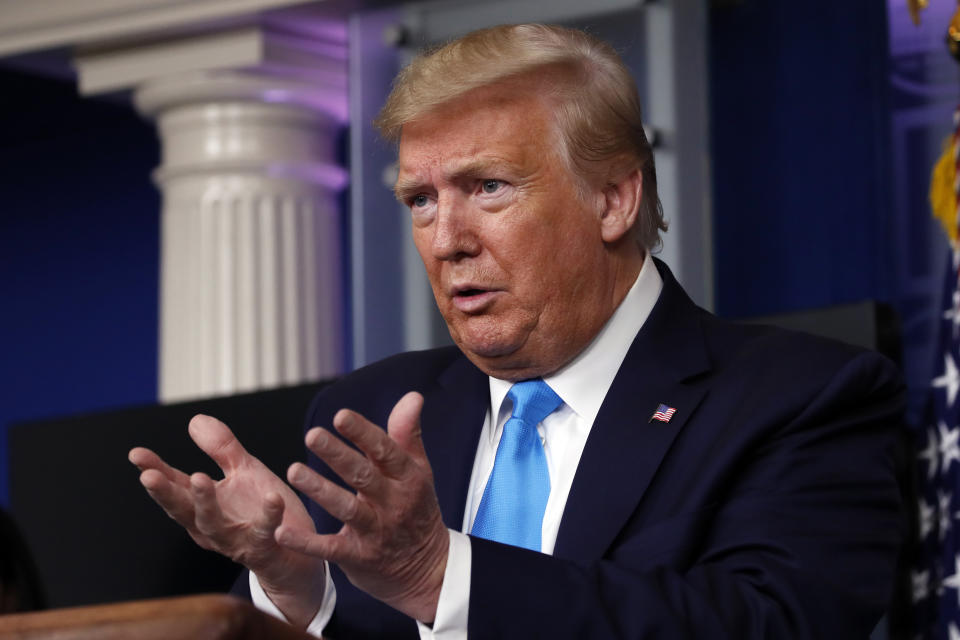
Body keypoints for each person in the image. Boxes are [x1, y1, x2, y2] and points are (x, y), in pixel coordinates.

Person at [129, 23, 905, 639]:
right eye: (421, 201)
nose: (445, 239)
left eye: (488, 186)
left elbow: (763, 626)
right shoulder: (370, 411)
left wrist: (444, 578)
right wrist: (298, 595)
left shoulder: (801, 398)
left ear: (613, 200)